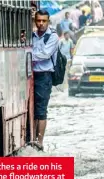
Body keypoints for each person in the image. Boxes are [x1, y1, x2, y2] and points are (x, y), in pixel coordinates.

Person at [31, 10, 59, 151]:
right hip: (31, 75)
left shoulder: (52, 37)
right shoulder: (32, 36)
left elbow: (45, 54)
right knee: (33, 109)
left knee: (41, 110)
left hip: (44, 76)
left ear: (48, 21)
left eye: (44, 21)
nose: (41, 23)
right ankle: (33, 139)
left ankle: (39, 141)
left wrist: (28, 56)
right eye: (38, 20)